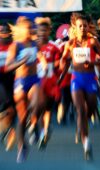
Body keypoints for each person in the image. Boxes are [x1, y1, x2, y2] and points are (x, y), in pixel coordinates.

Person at [60, 13, 100, 160]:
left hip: (90, 79)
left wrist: (93, 63)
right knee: (80, 110)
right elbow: (64, 60)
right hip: (76, 79)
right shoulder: (70, 43)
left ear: (88, 27)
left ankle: (81, 126)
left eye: (85, 25)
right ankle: (86, 142)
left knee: (90, 109)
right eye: (79, 26)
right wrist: (62, 69)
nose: (82, 28)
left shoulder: (93, 42)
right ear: (75, 27)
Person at [4, 16, 45, 163]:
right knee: (21, 117)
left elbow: (40, 55)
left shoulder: (35, 43)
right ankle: (22, 147)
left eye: (31, 27)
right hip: (20, 82)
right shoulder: (15, 46)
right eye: (27, 27)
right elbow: (8, 66)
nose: (30, 30)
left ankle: (34, 125)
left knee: (39, 104)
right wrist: (20, 62)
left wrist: (44, 62)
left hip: (34, 79)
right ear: (21, 30)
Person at [35, 17, 61, 149]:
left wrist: (52, 64)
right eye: (40, 31)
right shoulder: (33, 46)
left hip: (50, 81)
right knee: (39, 106)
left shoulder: (53, 46)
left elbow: (59, 62)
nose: (42, 33)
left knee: (47, 109)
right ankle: (41, 133)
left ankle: (45, 130)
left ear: (49, 31)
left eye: (44, 30)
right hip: (37, 82)